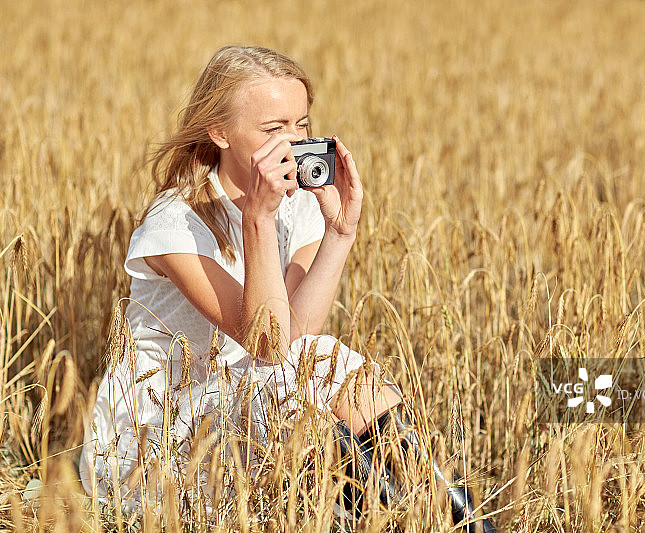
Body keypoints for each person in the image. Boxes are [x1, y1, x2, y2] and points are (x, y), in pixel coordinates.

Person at [79, 45, 494, 532]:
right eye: (273, 129)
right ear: (219, 133)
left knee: (330, 364)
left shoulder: (294, 208)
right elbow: (269, 345)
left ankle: (457, 523)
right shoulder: (176, 224)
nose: (294, 143)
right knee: (297, 382)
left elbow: (300, 333)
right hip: (161, 438)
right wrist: (257, 218)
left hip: (256, 404)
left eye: (301, 125)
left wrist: (341, 233)